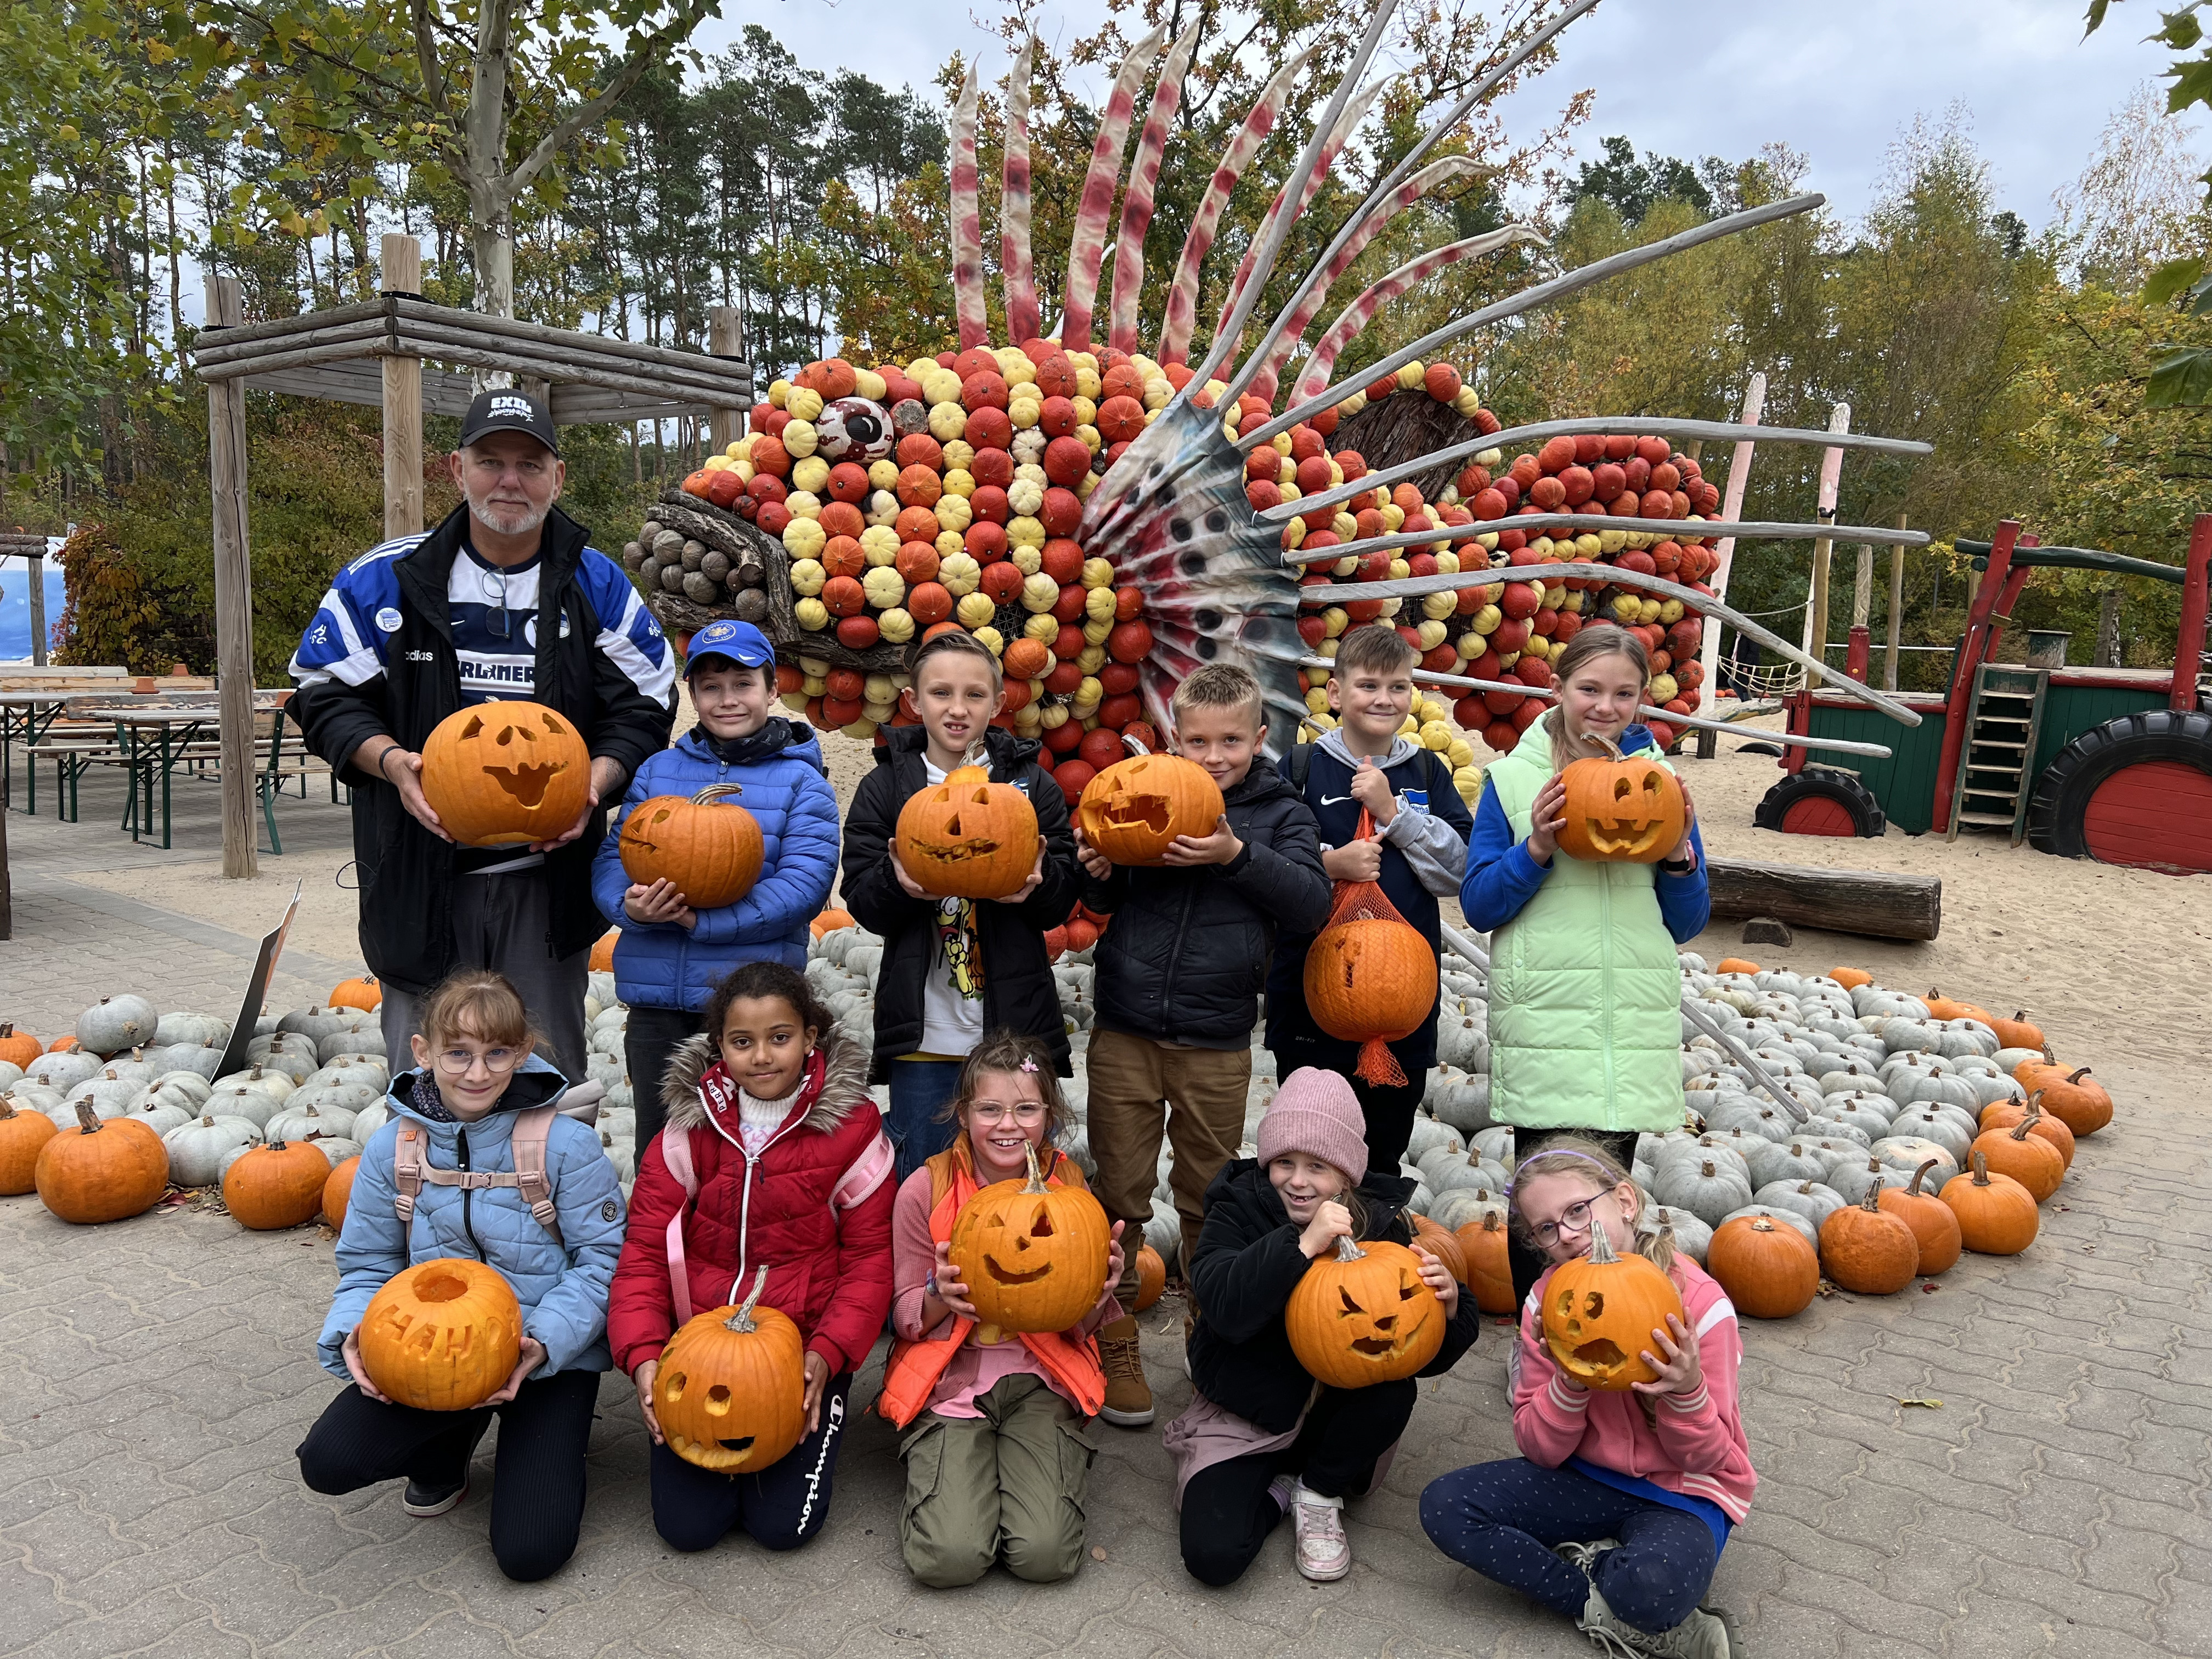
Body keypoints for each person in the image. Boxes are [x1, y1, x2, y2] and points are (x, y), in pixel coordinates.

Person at [289, 390, 675, 1081]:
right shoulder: (387, 578)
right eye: (490, 461)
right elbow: (323, 695)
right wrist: (391, 763)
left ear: (557, 478)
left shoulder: (597, 584)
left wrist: (595, 782)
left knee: (544, 1071)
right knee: (432, 1074)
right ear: (455, 469)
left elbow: (646, 703)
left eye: (529, 465)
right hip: (419, 871)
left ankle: (543, 1188)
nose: (509, 480)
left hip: (548, 881)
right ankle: (428, 1188)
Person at [297, 971, 627, 1583]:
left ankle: (541, 1436)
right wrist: (352, 1332)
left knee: (531, 1553)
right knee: (328, 1462)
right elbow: (370, 1264)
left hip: (543, 1359)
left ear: (522, 1050)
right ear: (423, 1052)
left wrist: (543, 1344)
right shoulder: (393, 1149)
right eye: (458, 1054)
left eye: (497, 1053)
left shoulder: (566, 1146)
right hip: (435, 1354)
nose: (478, 1073)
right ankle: (447, 1448)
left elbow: (604, 1264)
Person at [1073, 662, 1329, 1428]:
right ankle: (1114, 1334)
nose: (1213, 757)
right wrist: (1099, 873)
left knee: (1206, 1195)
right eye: (1197, 742)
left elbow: (1312, 904)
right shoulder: (1148, 787)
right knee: (1118, 1195)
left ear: (1259, 738)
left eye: (1229, 742)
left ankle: (1205, 1324)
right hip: (1125, 1025)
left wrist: (1235, 857)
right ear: (1173, 739)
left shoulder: (1280, 814)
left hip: (1216, 1038)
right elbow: (1103, 900)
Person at [1459, 624, 1710, 1308]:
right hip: (1546, 1023)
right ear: (1558, 689)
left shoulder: (1658, 785)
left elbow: (1687, 921)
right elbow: (1480, 903)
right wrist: (1535, 845)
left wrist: (1680, 856)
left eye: (1624, 693)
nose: (1606, 706)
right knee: (1542, 1207)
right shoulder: (1512, 782)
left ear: (1642, 700)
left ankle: (1591, 1327)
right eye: (1589, 689)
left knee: (1603, 1205)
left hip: (1626, 1025)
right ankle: (1538, 1343)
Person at [1419, 1141, 1750, 1659]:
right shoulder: (1546, 1303)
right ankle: (1595, 1596)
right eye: (1547, 1228)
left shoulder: (1701, 1307)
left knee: (1655, 1586)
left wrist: (1686, 1393)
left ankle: (1621, 1583)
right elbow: (1539, 1450)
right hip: (1582, 1478)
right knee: (1446, 1506)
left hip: (1683, 1493)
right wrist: (1568, 1383)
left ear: (1624, 1201)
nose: (1569, 1235)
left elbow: (1709, 1458)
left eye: (1578, 1210)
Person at [608, 960, 895, 1555]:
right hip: (702, 1351)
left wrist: (828, 1355)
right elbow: (643, 1252)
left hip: (799, 1354)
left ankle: (794, 1447)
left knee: (782, 1528)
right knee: (688, 1530)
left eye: (779, 1038)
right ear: (720, 1047)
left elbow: (869, 1259)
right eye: (743, 1042)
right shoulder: (688, 1129)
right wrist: (641, 1355)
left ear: (811, 1037)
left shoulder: (854, 1126)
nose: (762, 1056)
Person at [1165, 1068, 1478, 1587]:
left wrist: (1449, 1306)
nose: (1298, 1180)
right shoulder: (1236, 1209)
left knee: (1391, 1389)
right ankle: (1278, 1491)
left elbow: (1417, 1350)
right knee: (1213, 1556)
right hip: (1250, 1410)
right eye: (1284, 1162)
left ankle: (1318, 1489)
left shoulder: (1381, 1224)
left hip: (1336, 1414)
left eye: (1318, 1166)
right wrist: (1301, 1245)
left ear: (1347, 1175)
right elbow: (1224, 1306)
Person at [876, 1030, 1126, 1587]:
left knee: (1045, 1557)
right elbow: (904, 1318)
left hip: (1041, 1379)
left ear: (1050, 1114)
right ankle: (950, 1471)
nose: (1008, 1125)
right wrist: (940, 1295)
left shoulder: (1071, 1187)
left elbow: (1078, 1322)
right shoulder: (926, 1189)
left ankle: (1032, 1466)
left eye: (1026, 1109)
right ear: (963, 1114)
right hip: (950, 1381)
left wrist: (1100, 1291)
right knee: (951, 1559)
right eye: (990, 1109)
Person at [839, 629, 1079, 1182]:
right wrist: (899, 884)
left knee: (1020, 1183)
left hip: (1013, 1031)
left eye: (974, 695)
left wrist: (1038, 887)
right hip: (925, 1035)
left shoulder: (1029, 785)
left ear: (998, 704)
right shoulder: (887, 788)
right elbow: (863, 901)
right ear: (914, 701)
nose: (957, 708)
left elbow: (1060, 899)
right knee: (928, 1179)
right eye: (941, 693)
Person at [590, 619, 837, 1144]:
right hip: (656, 1002)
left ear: (772, 690)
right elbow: (615, 858)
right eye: (711, 687)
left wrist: (703, 922)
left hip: (753, 1007)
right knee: (661, 1148)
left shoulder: (802, 782)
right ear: (693, 695)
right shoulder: (658, 771)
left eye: (743, 684)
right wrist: (628, 908)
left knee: (747, 1145)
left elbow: (803, 887)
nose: (728, 699)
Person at [1268, 624, 1472, 1183]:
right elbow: (1269, 865)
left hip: (1402, 995)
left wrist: (1396, 814)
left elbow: (1457, 872)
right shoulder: (1300, 769)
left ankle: (1374, 1241)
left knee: (1383, 1145)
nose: (1384, 699)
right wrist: (1331, 865)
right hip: (1312, 989)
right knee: (1309, 1140)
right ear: (1336, 694)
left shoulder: (1429, 772)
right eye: (1368, 685)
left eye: (1398, 687)